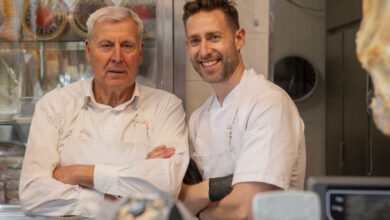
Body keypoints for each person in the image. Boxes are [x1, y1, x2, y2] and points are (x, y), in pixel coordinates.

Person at [19, 6, 189, 218]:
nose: (117, 57)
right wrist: (113, 196)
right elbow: (32, 194)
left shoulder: (166, 106)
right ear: (89, 51)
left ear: (140, 52)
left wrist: (77, 173)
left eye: (127, 45)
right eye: (106, 45)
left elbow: (167, 188)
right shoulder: (55, 105)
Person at [179, 0, 306, 219]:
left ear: (239, 38)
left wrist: (202, 208)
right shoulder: (198, 119)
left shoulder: (268, 103)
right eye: (194, 41)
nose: (204, 50)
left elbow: (246, 208)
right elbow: (182, 202)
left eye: (214, 37)